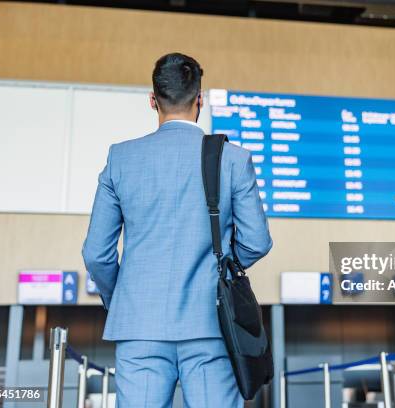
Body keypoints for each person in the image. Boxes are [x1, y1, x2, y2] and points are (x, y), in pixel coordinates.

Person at [82, 53, 273, 407]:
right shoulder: (233, 159)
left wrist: (121, 297)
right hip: (211, 325)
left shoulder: (121, 158)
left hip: (138, 325)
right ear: (200, 99)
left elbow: (96, 254)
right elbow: (257, 242)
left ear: (153, 100)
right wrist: (223, 267)